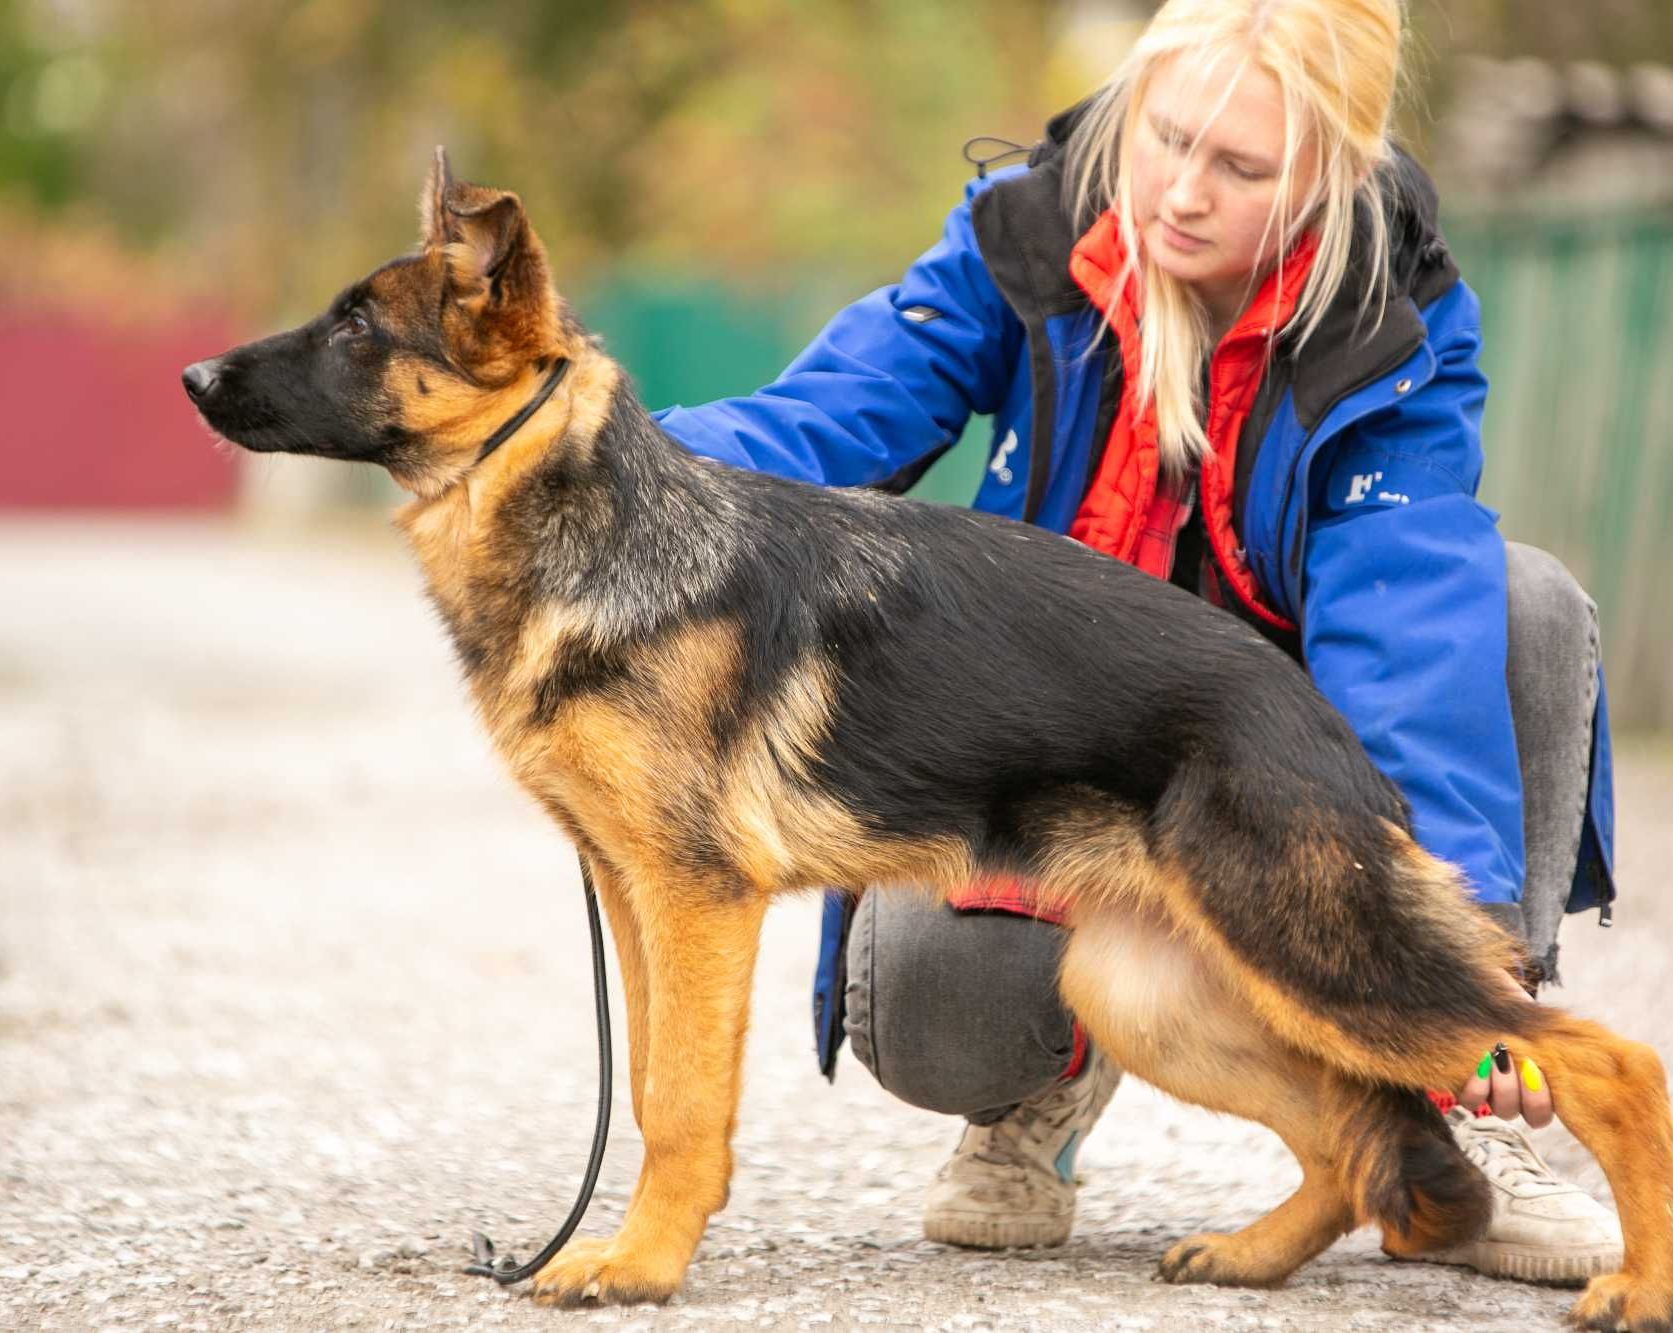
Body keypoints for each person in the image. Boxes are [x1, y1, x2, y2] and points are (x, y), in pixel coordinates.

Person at [655, 0, 1622, 1285]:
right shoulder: (1027, 233)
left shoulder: (1392, 314)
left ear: (1329, 176)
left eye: (1239, 168)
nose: (1177, 192)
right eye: (1164, 137)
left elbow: (1405, 631)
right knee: (936, 1010)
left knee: (1519, 599)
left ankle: (1457, 1086)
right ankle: (1034, 1102)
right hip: (1058, 747)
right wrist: (606, 459)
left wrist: (1459, 972)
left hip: (1260, 761)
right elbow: (826, 418)